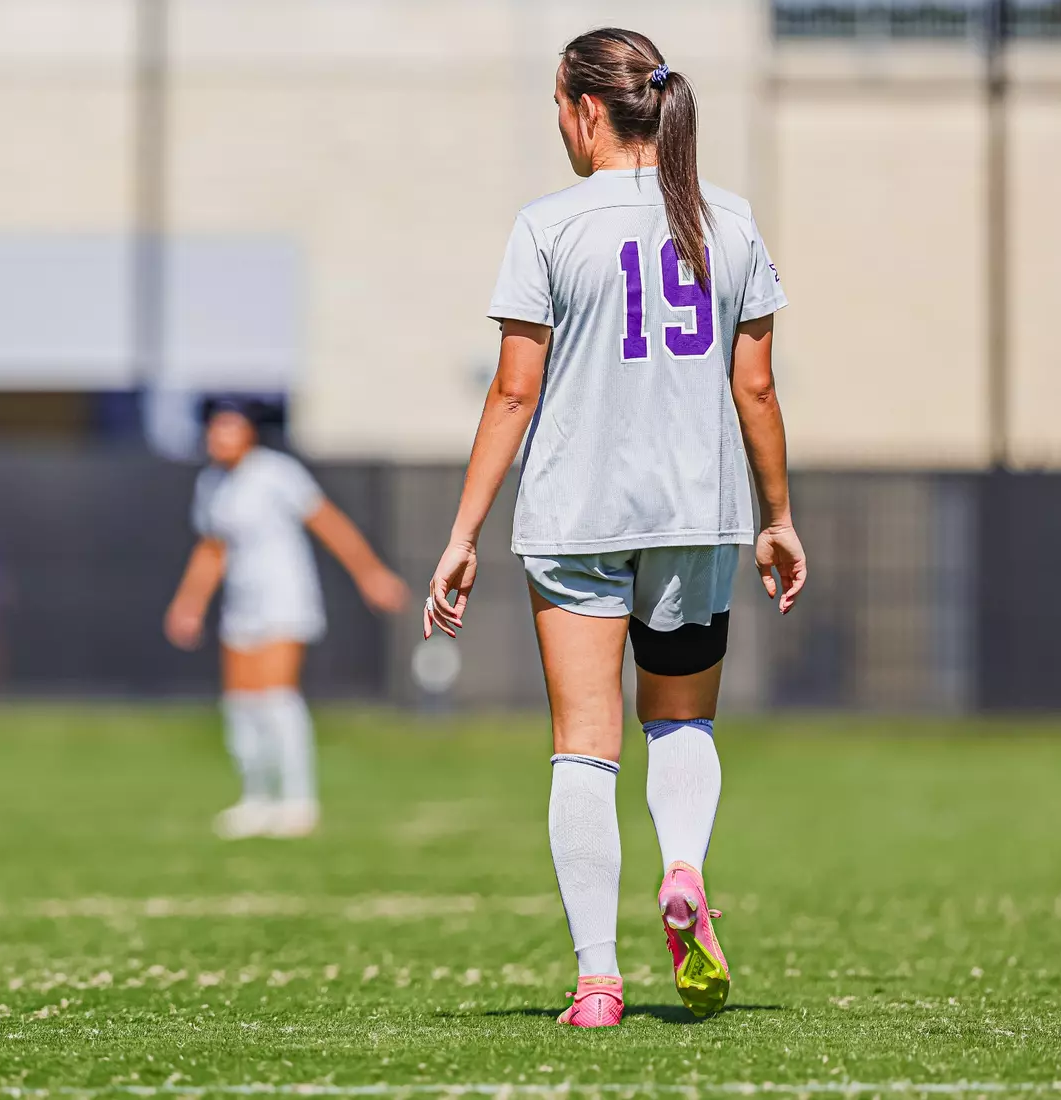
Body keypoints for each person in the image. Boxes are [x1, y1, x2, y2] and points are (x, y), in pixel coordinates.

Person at [423, 28, 807, 1028]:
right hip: (694, 515)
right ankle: (683, 868)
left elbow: (513, 394)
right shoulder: (728, 219)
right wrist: (778, 515)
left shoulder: (549, 226)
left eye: (558, 106)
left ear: (585, 109)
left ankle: (598, 980)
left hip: (575, 514)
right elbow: (755, 385)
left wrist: (461, 532)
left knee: (583, 746)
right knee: (679, 718)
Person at [166, 399, 408, 839]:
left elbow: (329, 524)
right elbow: (212, 549)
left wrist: (370, 574)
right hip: (242, 604)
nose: (217, 438)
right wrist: (189, 603)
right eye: (213, 430)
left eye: (228, 428)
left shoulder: (276, 473)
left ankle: (298, 801)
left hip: (285, 599)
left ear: (249, 433)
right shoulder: (211, 484)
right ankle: (256, 797)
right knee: (242, 703)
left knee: (276, 697)